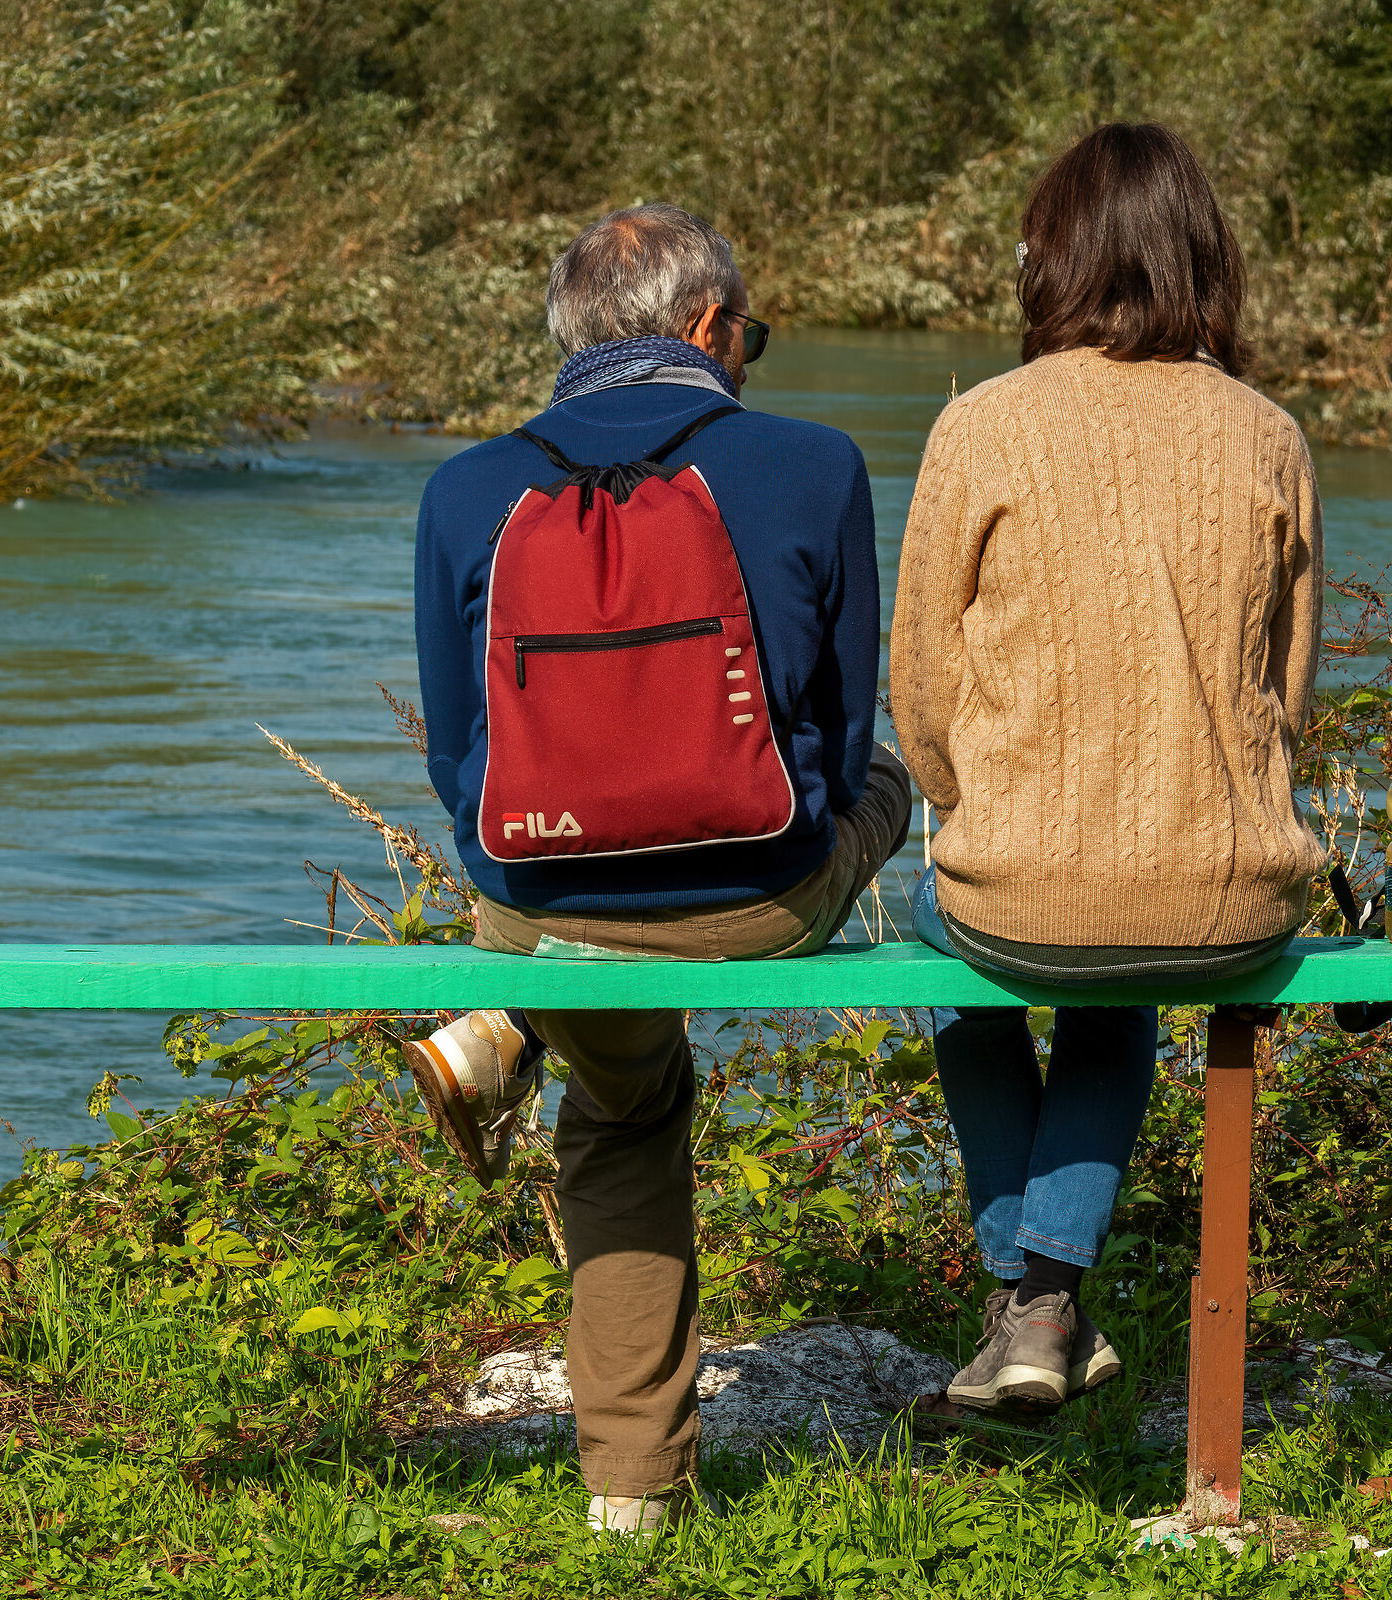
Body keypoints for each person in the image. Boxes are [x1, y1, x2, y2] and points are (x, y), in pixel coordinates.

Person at [405, 203, 910, 1533]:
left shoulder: (464, 490)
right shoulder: (816, 464)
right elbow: (844, 738)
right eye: (750, 334)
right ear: (705, 328)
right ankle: (531, 1008)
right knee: (896, 782)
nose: (750, 356)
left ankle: (630, 1496)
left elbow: (462, 761)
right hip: (756, 898)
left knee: (624, 1098)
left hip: (536, 894)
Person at [889, 123, 1325, 1413]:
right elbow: (1285, 698)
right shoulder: (1270, 437)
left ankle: (1029, 1299)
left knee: (950, 947)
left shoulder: (983, 426)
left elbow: (922, 690)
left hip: (1016, 885)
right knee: (1124, 966)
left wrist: (981, 812)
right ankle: (1047, 1305)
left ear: (1056, 257)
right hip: (1230, 895)